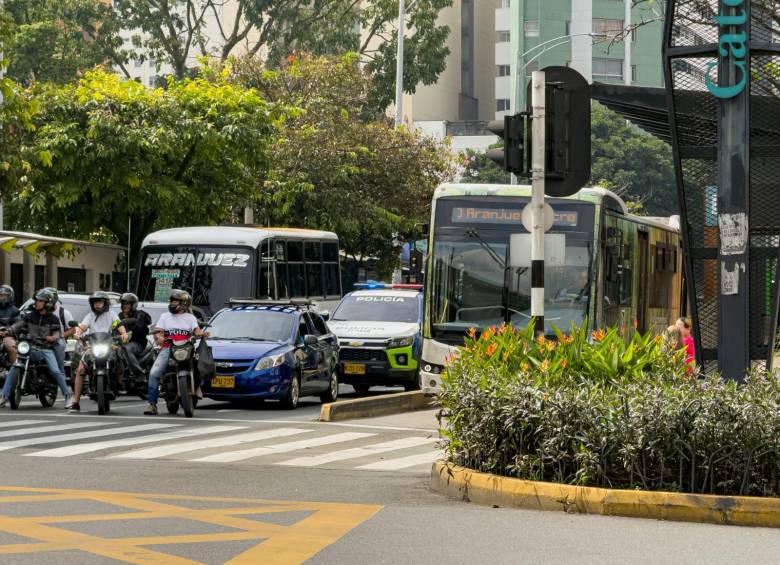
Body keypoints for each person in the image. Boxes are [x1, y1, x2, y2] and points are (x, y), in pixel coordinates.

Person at [0, 289, 73, 408]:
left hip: (45, 348)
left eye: (40, 301)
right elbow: (18, 325)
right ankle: (4, 396)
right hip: (29, 346)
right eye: (37, 300)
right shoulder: (30, 316)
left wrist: (52, 338)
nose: (37, 303)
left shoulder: (53, 319)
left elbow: (57, 334)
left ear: (47, 303)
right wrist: (8, 331)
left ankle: (68, 395)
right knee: (14, 367)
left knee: (55, 371)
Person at [144, 289, 208, 416]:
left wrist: (202, 334)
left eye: (176, 301)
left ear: (184, 303)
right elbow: (158, 332)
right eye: (172, 301)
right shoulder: (164, 316)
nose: (173, 303)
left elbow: (196, 331)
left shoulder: (190, 318)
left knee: (199, 366)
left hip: (186, 347)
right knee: (154, 373)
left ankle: (196, 387)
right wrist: (159, 338)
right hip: (168, 348)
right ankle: (152, 405)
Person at [70, 291, 127, 412]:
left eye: (100, 302)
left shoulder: (112, 315)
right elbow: (83, 327)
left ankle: (119, 382)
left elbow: (119, 326)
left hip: (109, 346)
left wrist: (123, 334)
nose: (97, 305)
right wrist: (78, 333)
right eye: (95, 302)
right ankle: (76, 402)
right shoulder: (89, 316)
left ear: (105, 303)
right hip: (92, 347)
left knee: (121, 357)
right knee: (80, 370)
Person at [117, 292, 151, 379]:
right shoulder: (119, 316)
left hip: (137, 343)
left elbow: (139, 325)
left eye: (127, 303)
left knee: (126, 348)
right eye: (123, 303)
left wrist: (129, 324)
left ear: (133, 305)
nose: (125, 306)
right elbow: (112, 326)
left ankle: (139, 373)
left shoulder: (140, 314)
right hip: (121, 343)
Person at [44, 288, 76, 376]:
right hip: (40, 339)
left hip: (58, 340)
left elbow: (73, 330)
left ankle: (60, 373)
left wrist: (60, 336)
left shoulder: (64, 312)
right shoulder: (38, 312)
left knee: (60, 344)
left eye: (48, 299)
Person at [0, 285, 20, 368]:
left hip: (6, 335)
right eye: (0, 295)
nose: (1, 297)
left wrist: (6, 331)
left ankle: (14, 371)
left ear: (10, 296)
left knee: (12, 349)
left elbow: (17, 325)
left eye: (4, 295)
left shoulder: (14, 310)